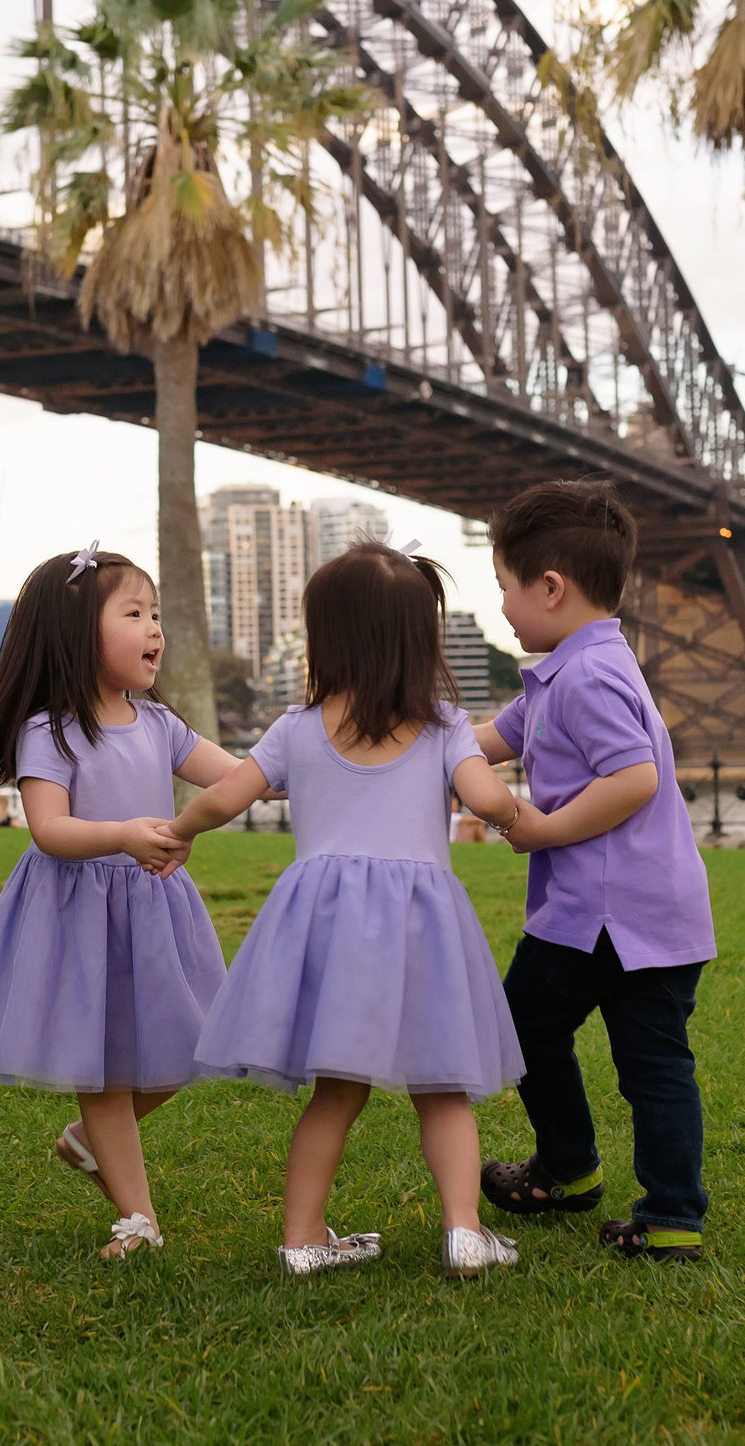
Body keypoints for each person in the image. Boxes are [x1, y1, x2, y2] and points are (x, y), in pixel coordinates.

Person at [181, 541, 528, 1279]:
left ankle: (304, 1236)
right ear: (418, 639)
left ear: (326, 638)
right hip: (422, 926)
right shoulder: (443, 725)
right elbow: (489, 797)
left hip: (328, 928)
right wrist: (521, 821)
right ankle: (465, 1230)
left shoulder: (296, 728)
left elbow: (225, 796)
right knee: (444, 1085)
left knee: (337, 1092)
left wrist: (177, 832)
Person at [0, 545, 246, 1261]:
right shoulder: (48, 730)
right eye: (135, 613)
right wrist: (122, 833)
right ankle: (136, 1217)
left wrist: (328, 759)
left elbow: (242, 777)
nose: (155, 629)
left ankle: (89, 1143)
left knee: (193, 1044)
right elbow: (49, 828)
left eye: (155, 614)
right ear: (81, 632)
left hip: (153, 908)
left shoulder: (159, 724)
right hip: (79, 913)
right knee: (107, 1068)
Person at [464, 481, 712, 1265]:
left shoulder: (587, 676)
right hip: (645, 909)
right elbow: (489, 739)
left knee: (541, 1031)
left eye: (504, 587)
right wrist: (404, 740)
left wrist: (540, 828)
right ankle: (658, 1208)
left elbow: (633, 777)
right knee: (645, 1059)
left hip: (607, 912)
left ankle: (580, 1173)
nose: (502, 607)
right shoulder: (577, 666)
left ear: (550, 587)